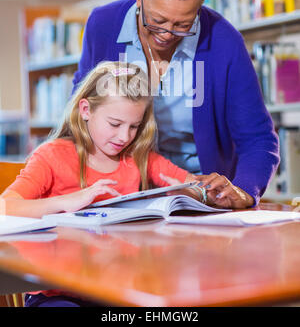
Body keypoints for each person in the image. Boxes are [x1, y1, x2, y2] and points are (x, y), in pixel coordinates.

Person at [72, 0, 280, 209]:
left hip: (197, 198)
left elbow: (258, 138)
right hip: (118, 194)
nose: (167, 34)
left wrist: (244, 191)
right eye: (157, 20)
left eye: (183, 25)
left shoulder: (224, 41)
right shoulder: (103, 25)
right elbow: (80, 115)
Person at [1, 61, 209, 307]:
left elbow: (196, 185)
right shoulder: (52, 156)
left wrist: (192, 192)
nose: (124, 137)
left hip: (118, 287)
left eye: (134, 127)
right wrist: (66, 202)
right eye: (114, 124)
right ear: (86, 110)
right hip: (57, 292)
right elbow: (6, 207)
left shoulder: (138, 157)